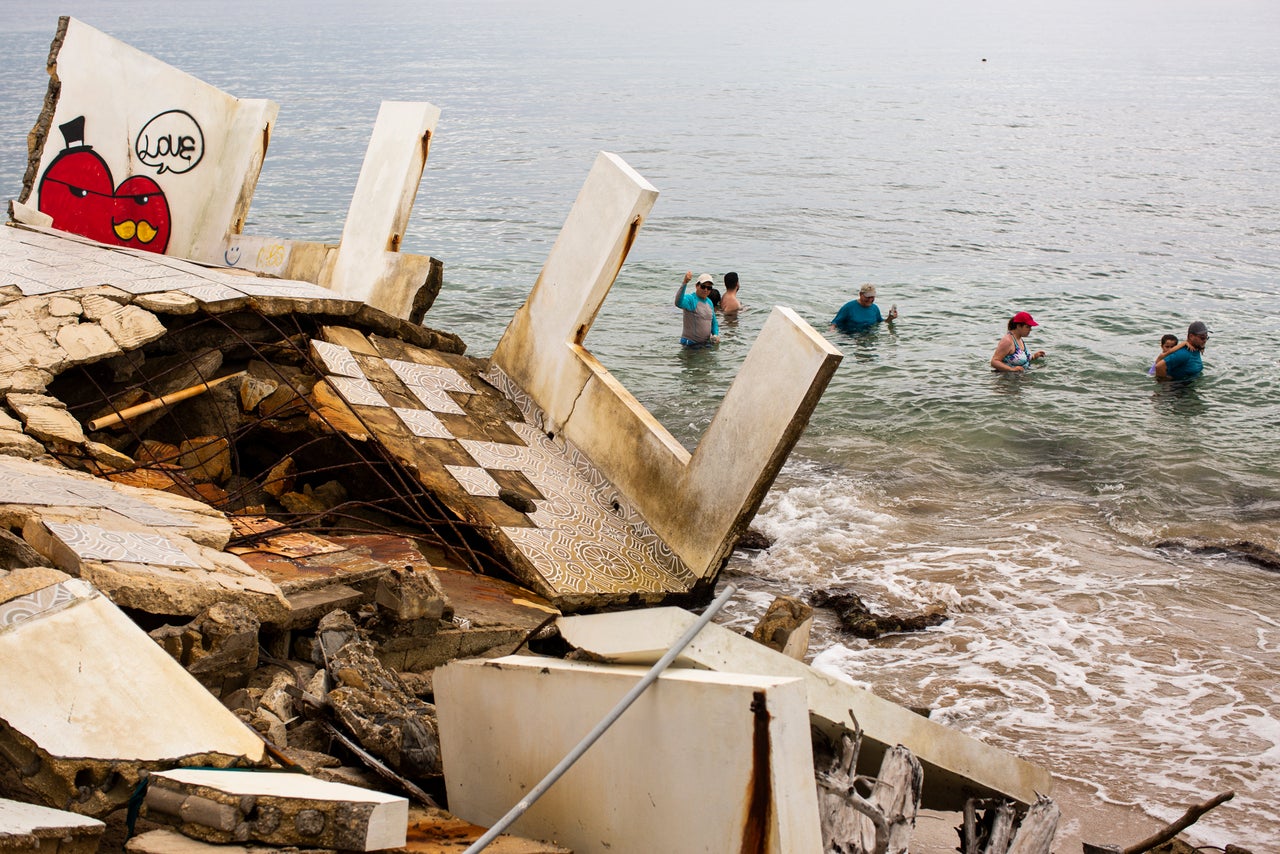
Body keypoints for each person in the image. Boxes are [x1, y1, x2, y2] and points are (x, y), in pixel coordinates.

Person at [674, 271, 720, 347]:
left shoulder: (709, 302)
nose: (705, 290)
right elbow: (678, 302)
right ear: (696, 286)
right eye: (703, 286)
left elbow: (714, 322)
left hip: (705, 343)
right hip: (690, 343)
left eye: (709, 288)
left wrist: (715, 334)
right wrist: (684, 283)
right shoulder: (691, 299)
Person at [829, 284, 898, 332]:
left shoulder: (875, 308)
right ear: (860, 294)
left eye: (872, 297)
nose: (870, 300)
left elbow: (880, 322)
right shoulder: (848, 307)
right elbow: (834, 323)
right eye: (868, 297)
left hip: (868, 336)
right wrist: (832, 332)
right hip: (849, 336)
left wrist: (890, 318)